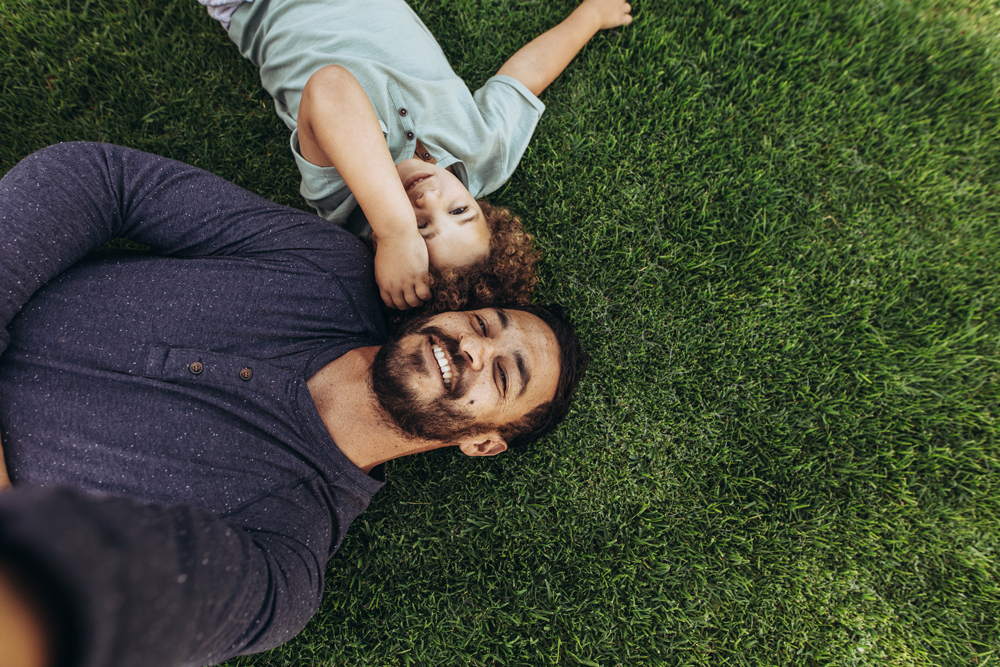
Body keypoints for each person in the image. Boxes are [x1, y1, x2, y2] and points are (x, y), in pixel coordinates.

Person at [0, 142, 587, 667]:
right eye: (484, 322)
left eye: (506, 374)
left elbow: (72, 605)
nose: (474, 347)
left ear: (482, 441)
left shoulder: (279, 562)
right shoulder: (323, 265)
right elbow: (105, 180)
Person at [199, 0, 633, 311]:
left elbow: (330, 87)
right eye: (461, 209)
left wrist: (395, 230)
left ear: (377, 248)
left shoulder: (342, 198)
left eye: (422, 228)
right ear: (482, 207)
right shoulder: (481, 152)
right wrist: (589, 16)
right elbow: (525, 77)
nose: (429, 201)